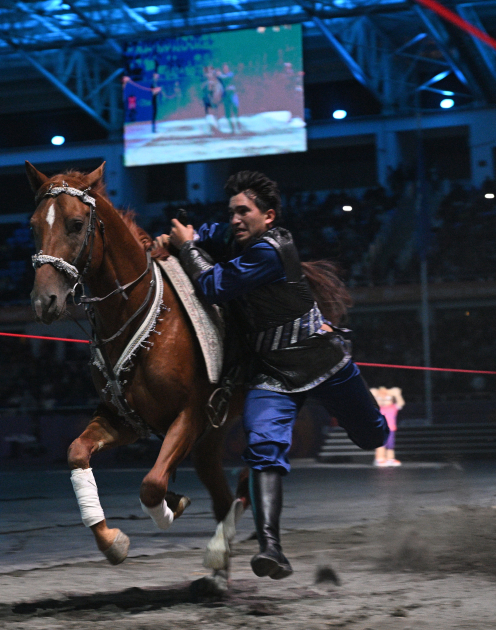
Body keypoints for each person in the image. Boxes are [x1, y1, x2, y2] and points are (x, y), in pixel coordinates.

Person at [153, 171, 389, 580]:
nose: (235, 219)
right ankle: (271, 549)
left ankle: (270, 541)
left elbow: (213, 285)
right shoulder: (235, 235)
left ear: (269, 216)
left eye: (244, 211)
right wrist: (178, 239)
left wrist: (186, 246)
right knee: (263, 449)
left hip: (322, 361)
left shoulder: (271, 251)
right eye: (232, 212)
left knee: (373, 437)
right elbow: (208, 233)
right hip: (272, 373)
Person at [371, 387, 405, 467]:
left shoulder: (393, 407)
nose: (384, 400)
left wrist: (397, 395)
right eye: (380, 398)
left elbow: (401, 403)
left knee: (390, 445)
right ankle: (380, 459)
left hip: (391, 429)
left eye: (387, 398)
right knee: (381, 445)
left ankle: (390, 459)